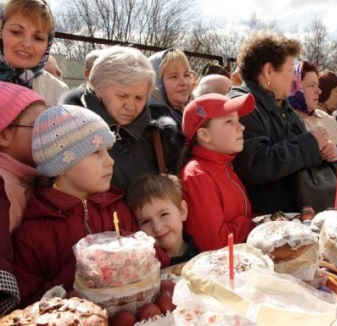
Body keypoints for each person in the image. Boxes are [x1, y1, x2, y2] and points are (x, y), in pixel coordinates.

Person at [12, 105, 143, 307]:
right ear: (61, 166)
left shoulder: (116, 207)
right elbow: (26, 306)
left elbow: (150, 265)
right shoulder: (34, 233)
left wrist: (138, 248)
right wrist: (82, 265)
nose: (110, 161)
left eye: (108, 151)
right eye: (95, 152)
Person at [227, 33, 337, 214]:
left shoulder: (282, 103)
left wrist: (326, 153)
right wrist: (309, 143)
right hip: (270, 222)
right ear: (268, 71)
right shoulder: (242, 105)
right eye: (289, 70)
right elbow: (255, 164)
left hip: (296, 215)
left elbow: (297, 156)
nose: (293, 78)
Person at [60, 46, 180, 191]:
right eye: (122, 96)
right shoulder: (68, 133)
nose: (131, 107)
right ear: (98, 86)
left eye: (139, 98)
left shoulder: (159, 137)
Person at [179, 93, 255, 252]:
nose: (241, 126)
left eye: (238, 120)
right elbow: (214, 243)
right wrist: (253, 224)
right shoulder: (196, 175)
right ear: (204, 135)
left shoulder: (225, 165)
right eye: (229, 121)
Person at [0, 82, 46, 316]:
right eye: (39, 128)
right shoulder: (5, 187)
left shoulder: (30, 179)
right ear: (4, 135)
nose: (47, 136)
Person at [0, 0, 68, 106]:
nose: (27, 44)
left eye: (38, 38)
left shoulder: (57, 92)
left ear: (48, 43)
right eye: (16, 32)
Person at [126, 174, 198, 265]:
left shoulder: (203, 252)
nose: (157, 228)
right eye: (146, 221)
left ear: (182, 211)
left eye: (164, 214)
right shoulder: (147, 267)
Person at [148, 48, 193, 171]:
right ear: (155, 83)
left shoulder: (182, 114)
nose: (184, 82)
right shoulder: (153, 123)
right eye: (174, 76)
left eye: (186, 75)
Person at [288, 61, 337, 148]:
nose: (319, 91)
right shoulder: (288, 123)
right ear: (295, 88)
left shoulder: (328, 118)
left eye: (317, 85)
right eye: (311, 85)